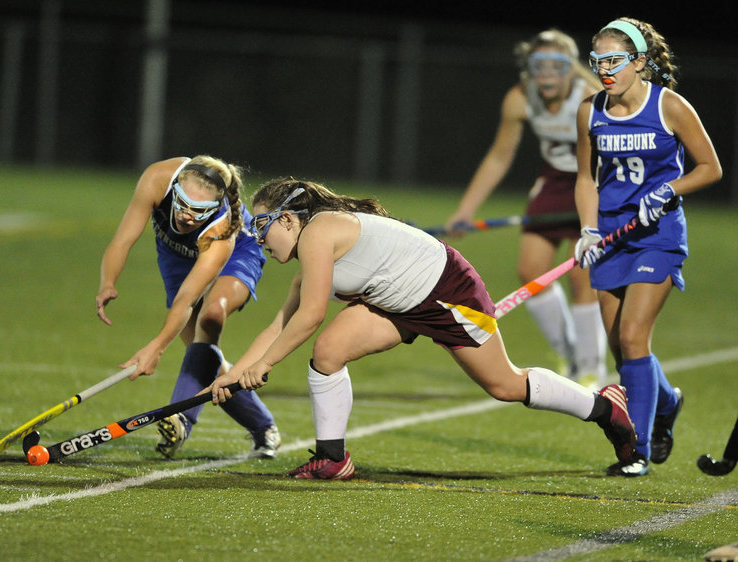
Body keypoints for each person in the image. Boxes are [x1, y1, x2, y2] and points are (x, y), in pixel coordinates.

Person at [207, 178, 638, 480]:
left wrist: (263, 365)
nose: (259, 239)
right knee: (329, 353)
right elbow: (280, 323)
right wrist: (234, 373)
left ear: (288, 219)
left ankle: (605, 407)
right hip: (393, 301)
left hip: (444, 291)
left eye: (262, 227)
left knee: (506, 385)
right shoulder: (308, 259)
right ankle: (332, 458)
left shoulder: (318, 232)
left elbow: (310, 315)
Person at [574, 18, 722, 476]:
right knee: (621, 348)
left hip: (657, 235)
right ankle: (668, 400)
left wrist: (669, 190)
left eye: (615, 61)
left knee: (636, 337)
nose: (605, 70)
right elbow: (585, 178)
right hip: (613, 234)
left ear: (640, 62)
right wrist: (587, 230)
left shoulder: (670, 107)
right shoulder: (589, 110)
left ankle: (634, 450)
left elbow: (710, 167)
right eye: (598, 61)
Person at [443, 30, 607, 389]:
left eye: (557, 66)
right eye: (539, 66)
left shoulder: (594, 97)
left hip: (594, 183)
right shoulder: (519, 99)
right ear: (529, 70)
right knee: (530, 270)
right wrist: (465, 210)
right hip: (553, 183)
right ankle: (570, 355)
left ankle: (593, 369)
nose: (547, 75)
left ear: (572, 69)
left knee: (584, 275)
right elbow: (500, 156)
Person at [96, 155, 281, 459]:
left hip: (237, 253)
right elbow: (122, 241)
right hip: (176, 256)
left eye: (199, 211)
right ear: (176, 188)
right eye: (181, 204)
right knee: (203, 355)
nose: (185, 216)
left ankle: (181, 419)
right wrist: (108, 282)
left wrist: (156, 347)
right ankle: (263, 426)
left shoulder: (222, 230)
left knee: (211, 314)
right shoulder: (157, 178)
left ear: (215, 207)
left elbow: (187, 300)